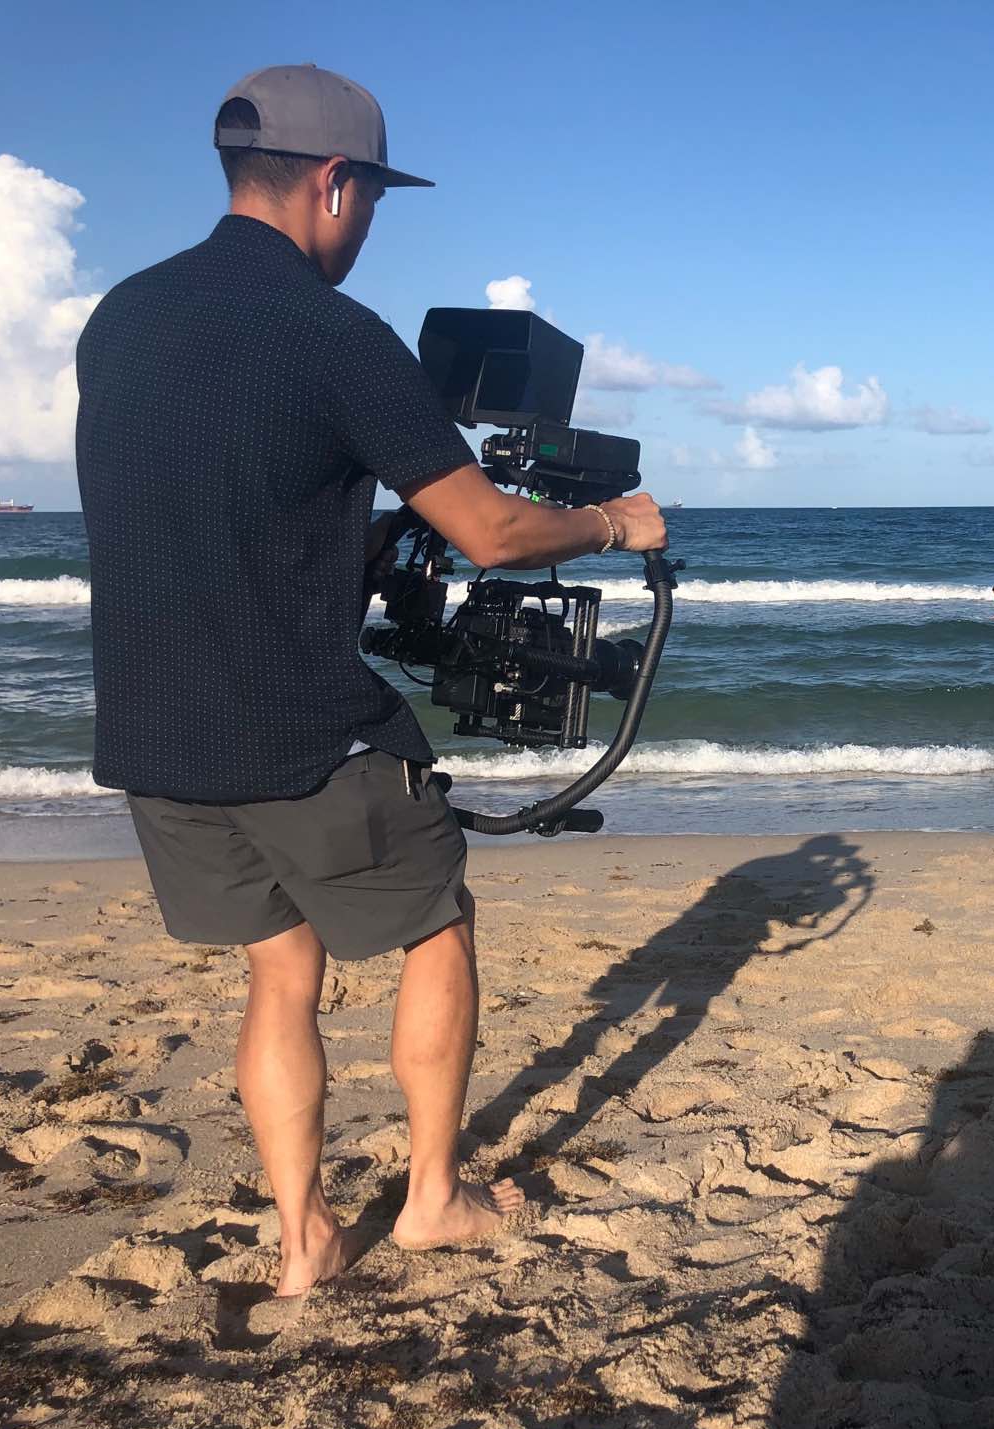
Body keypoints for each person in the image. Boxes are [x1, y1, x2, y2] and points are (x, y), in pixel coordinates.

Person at [74, 64, 667, 1296]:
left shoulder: (119, 317)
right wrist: (616, 524)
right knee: (436, 928)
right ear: (336, 184)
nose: (368, 227)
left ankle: (304, 1243)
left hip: (154, 734)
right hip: (303, 733)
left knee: (280, 969)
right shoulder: (334, 333)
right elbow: (496, 533)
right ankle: (433, 1200)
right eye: (376, 201)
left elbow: (219, 506)